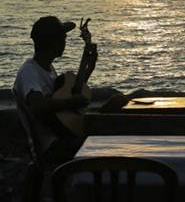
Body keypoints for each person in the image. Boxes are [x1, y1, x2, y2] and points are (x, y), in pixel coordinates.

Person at [13, 16, 128, 163]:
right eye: (63, 38)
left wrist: (89, 69)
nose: (65, 42)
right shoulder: (29, 71)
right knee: (109, 131)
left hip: (65, 134)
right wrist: (71, 103)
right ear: (54, 42)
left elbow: (65, 100)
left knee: (118, 102)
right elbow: (38, 105)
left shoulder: (47, 69)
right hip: (54, 146)